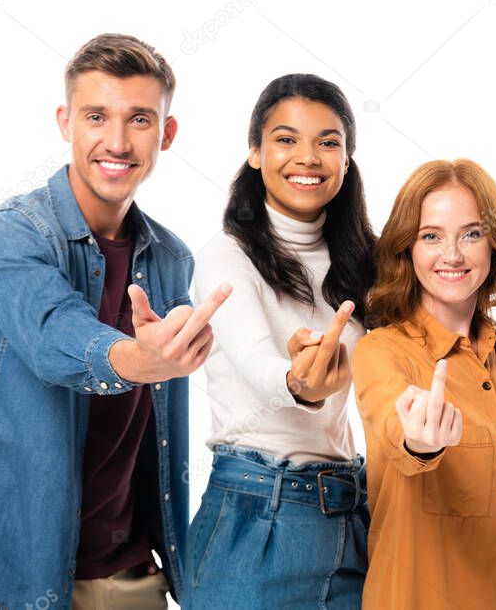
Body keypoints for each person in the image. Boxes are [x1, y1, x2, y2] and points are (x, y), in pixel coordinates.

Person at [0, 33, 231, 609]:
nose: (116, 141)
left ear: (166, 135)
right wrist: (138, 360)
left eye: (139, 119)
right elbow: (54, 335)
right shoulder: (11, 236)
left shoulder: (170, 260)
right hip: (0, 577)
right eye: (97, 116)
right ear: (66, 122)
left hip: (126, 579)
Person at [180, 74, 376, 608]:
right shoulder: (225, 256)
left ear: (347, 159)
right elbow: (255, 360)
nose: (307, 157)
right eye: (286, 140)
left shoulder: (364, 264)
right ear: (255, 153)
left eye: (328, 142)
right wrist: (297, 383)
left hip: (352, 517)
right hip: (256, 514)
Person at [351, 159, 496, 609]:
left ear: (494, 246)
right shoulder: (381, 351)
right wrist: (422, 443)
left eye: (471, 234)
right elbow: (395, 429)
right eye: (430, 236)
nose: (452, 254)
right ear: (406, 249)